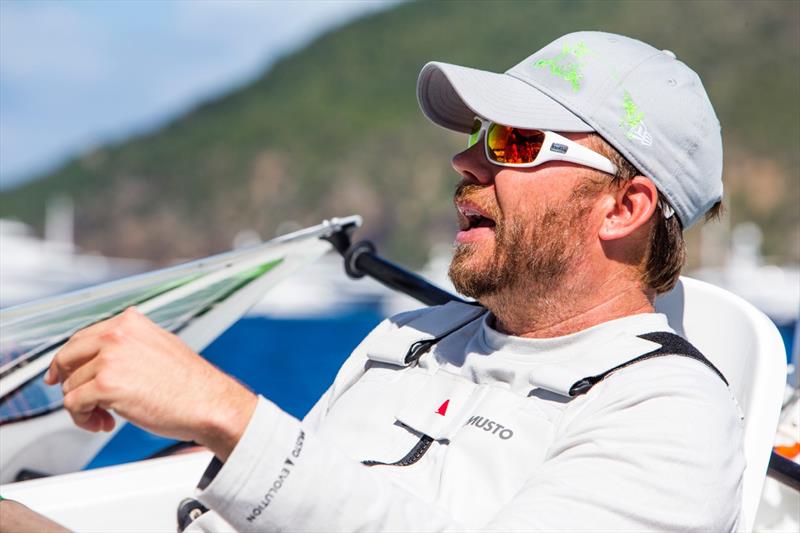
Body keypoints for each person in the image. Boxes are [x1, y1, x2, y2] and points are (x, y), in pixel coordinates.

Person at [45, 31, 743, 531]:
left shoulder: (670, 415)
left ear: (624, 208)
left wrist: (230, 417)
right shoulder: (410, 338)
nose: (466, 160)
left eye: (517, 142)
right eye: (479, 133)